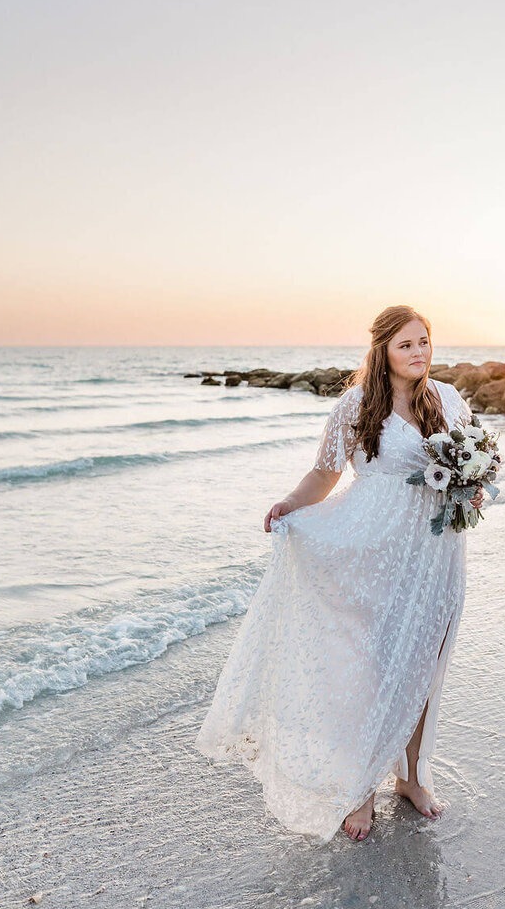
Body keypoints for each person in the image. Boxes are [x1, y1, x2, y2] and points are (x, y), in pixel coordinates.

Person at [194, 304, 482, 844]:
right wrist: (289, 504)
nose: (419, 352)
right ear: (383, 351)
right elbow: (325, 474)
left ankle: (413, 779)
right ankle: (360, 788)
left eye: (425, 341)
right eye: (407, 345)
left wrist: (475, 483)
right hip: (370, 551)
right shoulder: (356, 406)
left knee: (426, 666)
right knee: (369, 671)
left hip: (437, 553)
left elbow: (471, 462)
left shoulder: (449, 400)